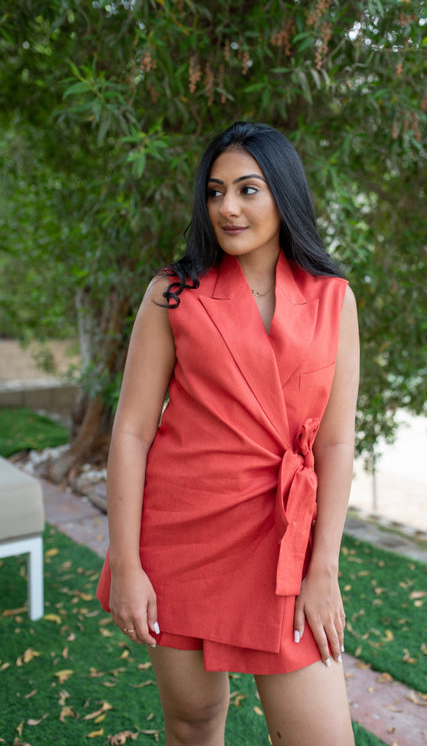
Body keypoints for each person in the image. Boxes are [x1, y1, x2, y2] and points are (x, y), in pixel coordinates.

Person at [97, 121, 359, 746]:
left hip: (283, 547)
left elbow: (336, 443)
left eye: (248, 189)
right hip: (178, 537)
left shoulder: (333, 298)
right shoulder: (174, 293)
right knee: (193, 723)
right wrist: (128, 564)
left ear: (284, 196)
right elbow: (131, 433)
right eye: (215, 193)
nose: (228, 208)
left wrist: (324, 567)